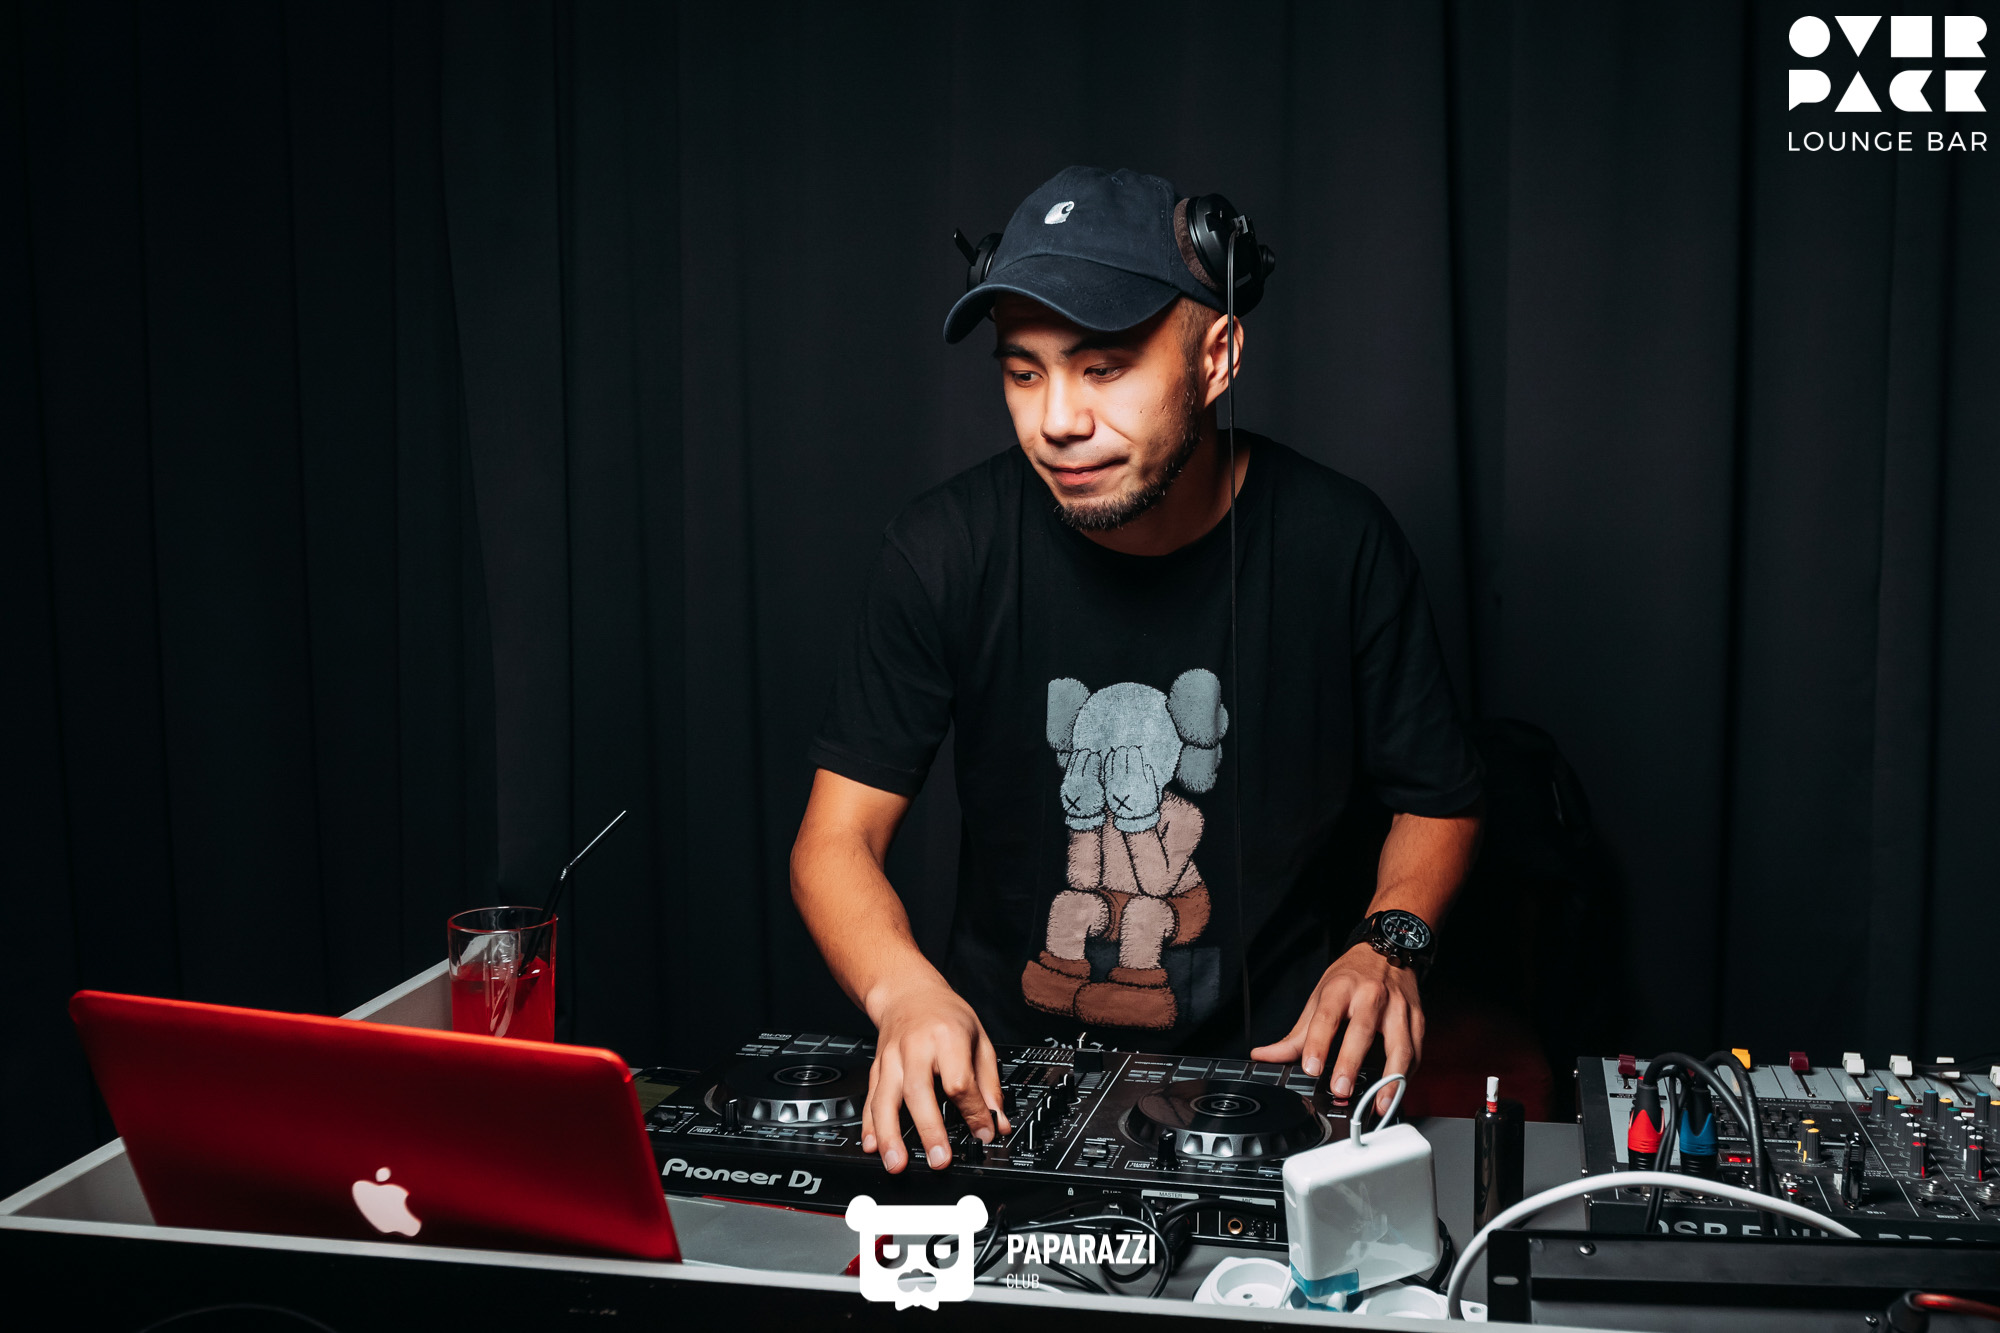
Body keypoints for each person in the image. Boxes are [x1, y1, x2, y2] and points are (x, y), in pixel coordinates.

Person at [791, 166, 1482, 1174]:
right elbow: (834, 839)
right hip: (999, 1092)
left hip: (1275, 1091)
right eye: (1023, 372)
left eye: (1103, 368)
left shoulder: (1342, 543)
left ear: (1217, 356)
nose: (1057, 420)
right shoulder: (941, 550)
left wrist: (1389, 946)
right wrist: (902, 991)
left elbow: (1438, 798)